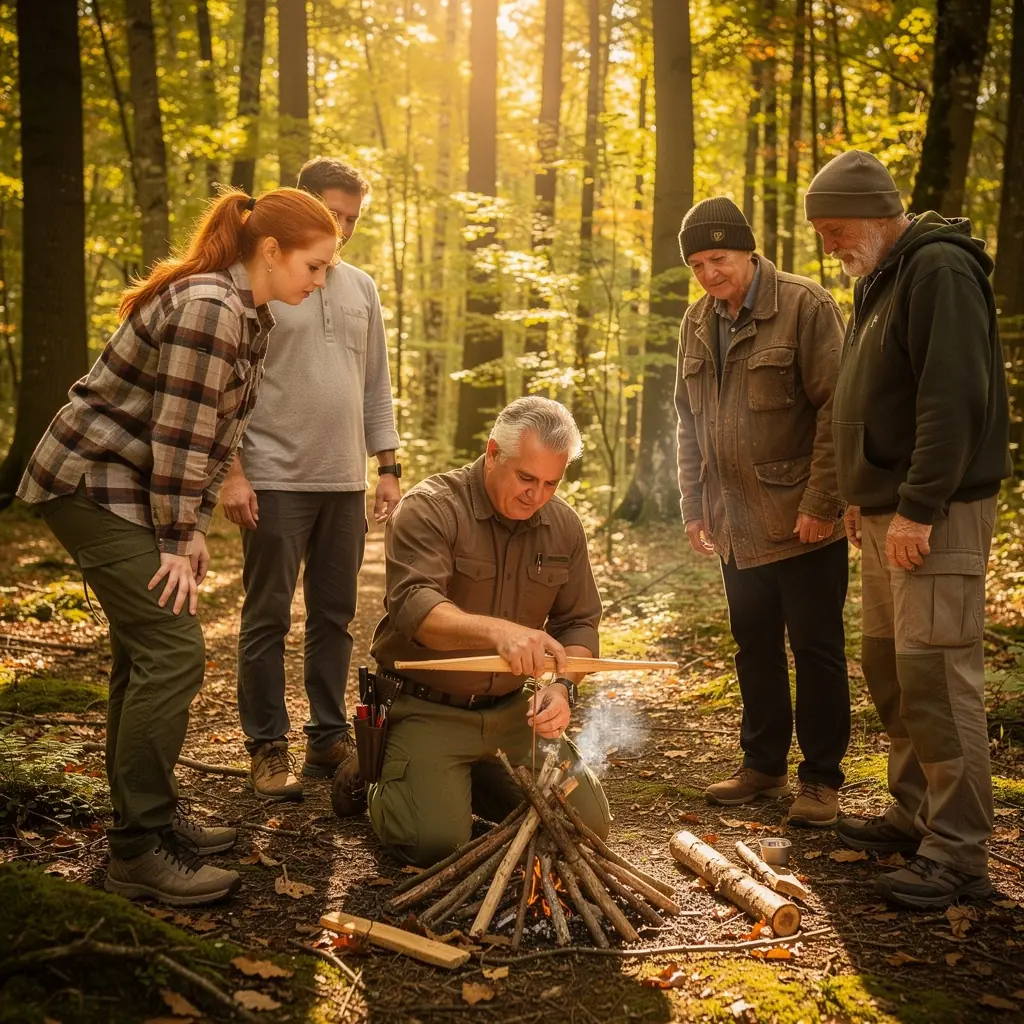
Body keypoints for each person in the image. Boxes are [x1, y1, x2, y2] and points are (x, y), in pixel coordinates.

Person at [16, 188, 339, 905]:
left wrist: (187, 526)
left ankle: (148, 821)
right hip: (91, 481)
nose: (320, 282)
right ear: (271, 250)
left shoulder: (248, 315)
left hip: (132, 487)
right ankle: (138, 850)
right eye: (314, 266)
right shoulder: (211, 307)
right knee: (172, 649)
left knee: (145, 651)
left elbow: (217, 435)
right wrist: (176, 535)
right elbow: (180, 435)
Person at [805, 150, 1011, 906]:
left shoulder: (939, 269)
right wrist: (861, 495)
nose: (828, 244)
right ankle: (915, 812)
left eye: (834, 228)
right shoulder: (882, 278)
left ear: (872, 212)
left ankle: (959, 851)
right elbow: (873, 399)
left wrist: (919, 505)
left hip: (937, 512)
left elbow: (952, 398)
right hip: (888, 509)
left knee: (937, 677)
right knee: (891, 668)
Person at [361, 397, 612, 866]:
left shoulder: (563, 525)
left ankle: (461, 781)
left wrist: (562, 688)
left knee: (586, 827)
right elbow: (415, 607)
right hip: (425, 707)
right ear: (493, 452)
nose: (536, 496)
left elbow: (578, 622)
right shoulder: (431, 507)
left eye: (551, 483)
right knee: (434, 845)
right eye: (526, 478)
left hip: (513, 713)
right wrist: (501, 633)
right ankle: (372, 773)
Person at [220, 158, 400, 803]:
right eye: (333, 214)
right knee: (267, 615)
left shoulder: (361, 288)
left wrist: (387, 467)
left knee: (335, 616)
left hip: (344, 481)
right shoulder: (259, 282)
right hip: (273, 477)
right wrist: (234, 471)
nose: (343, 228)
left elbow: (376, 383)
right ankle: (267, 745)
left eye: (353, 218)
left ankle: (327, 736)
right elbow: (226, 386)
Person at [674, 197, 850, 826]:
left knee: (816, 649)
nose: (709, 274)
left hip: (803, 521)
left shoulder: (805, 305)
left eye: (718, 258)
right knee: (754, 646)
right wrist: (694, 505)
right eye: (697, 264)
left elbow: (838, 411)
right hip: (733, 524)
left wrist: (822, 502)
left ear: (748, 251)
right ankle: (763, 765)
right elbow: (687, 422)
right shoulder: (696, 321)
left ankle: (821, 781)